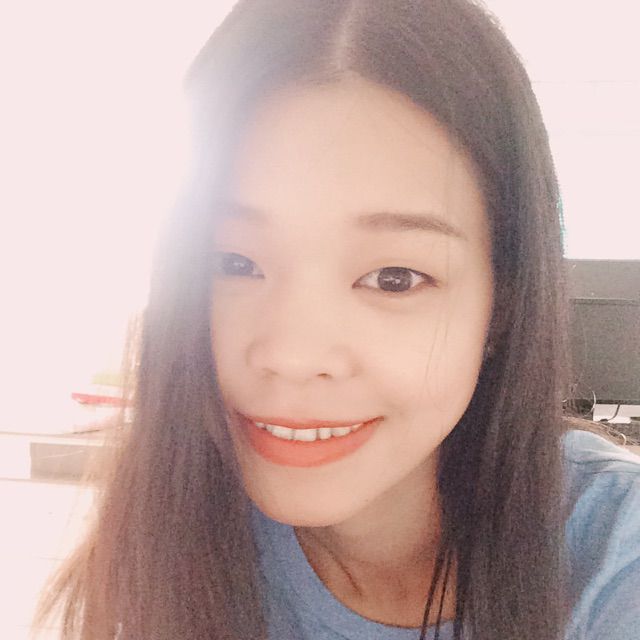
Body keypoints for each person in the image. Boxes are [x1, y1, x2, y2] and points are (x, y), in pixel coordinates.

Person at [34, 1, 640, 639]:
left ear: (503, 302)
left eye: (394, 277)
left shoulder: (615, 559)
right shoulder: (172, 529)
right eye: (233, 262)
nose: (292, 355)